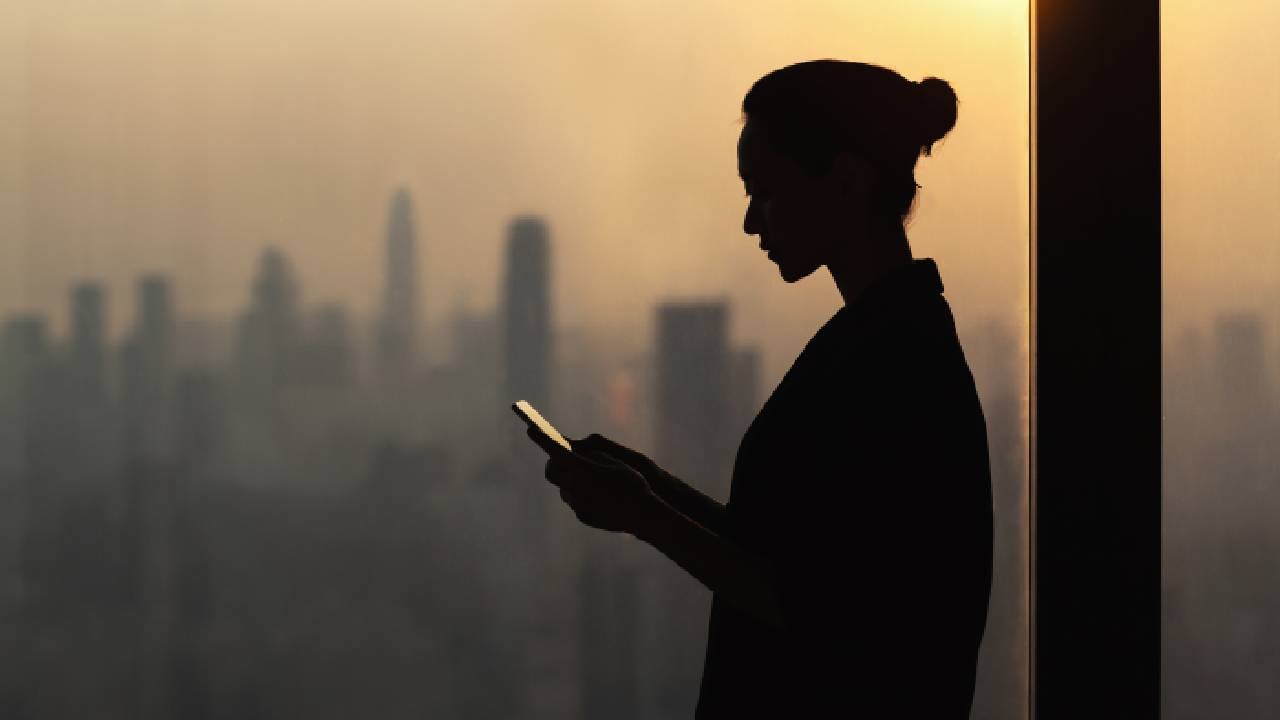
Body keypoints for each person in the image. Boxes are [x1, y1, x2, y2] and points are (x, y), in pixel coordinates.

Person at [527, 59, 993, 718]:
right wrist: (651, 487)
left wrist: (645, 513)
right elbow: (791, 560)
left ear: (847, 181)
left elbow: (825, 610)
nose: (751, 222)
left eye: (765, 191)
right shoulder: (881, 341)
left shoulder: (894, 363)